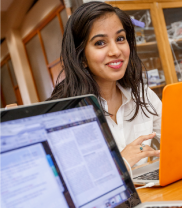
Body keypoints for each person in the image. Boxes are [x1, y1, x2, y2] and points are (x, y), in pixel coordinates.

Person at [47, 1, 162, 168]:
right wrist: (122, 162)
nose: (116, 51)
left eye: (120, 39)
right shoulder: (66, 114)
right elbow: (77, 181)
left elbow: (177, 141)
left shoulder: (143, 95)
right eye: (100, 42)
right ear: (82, 57)